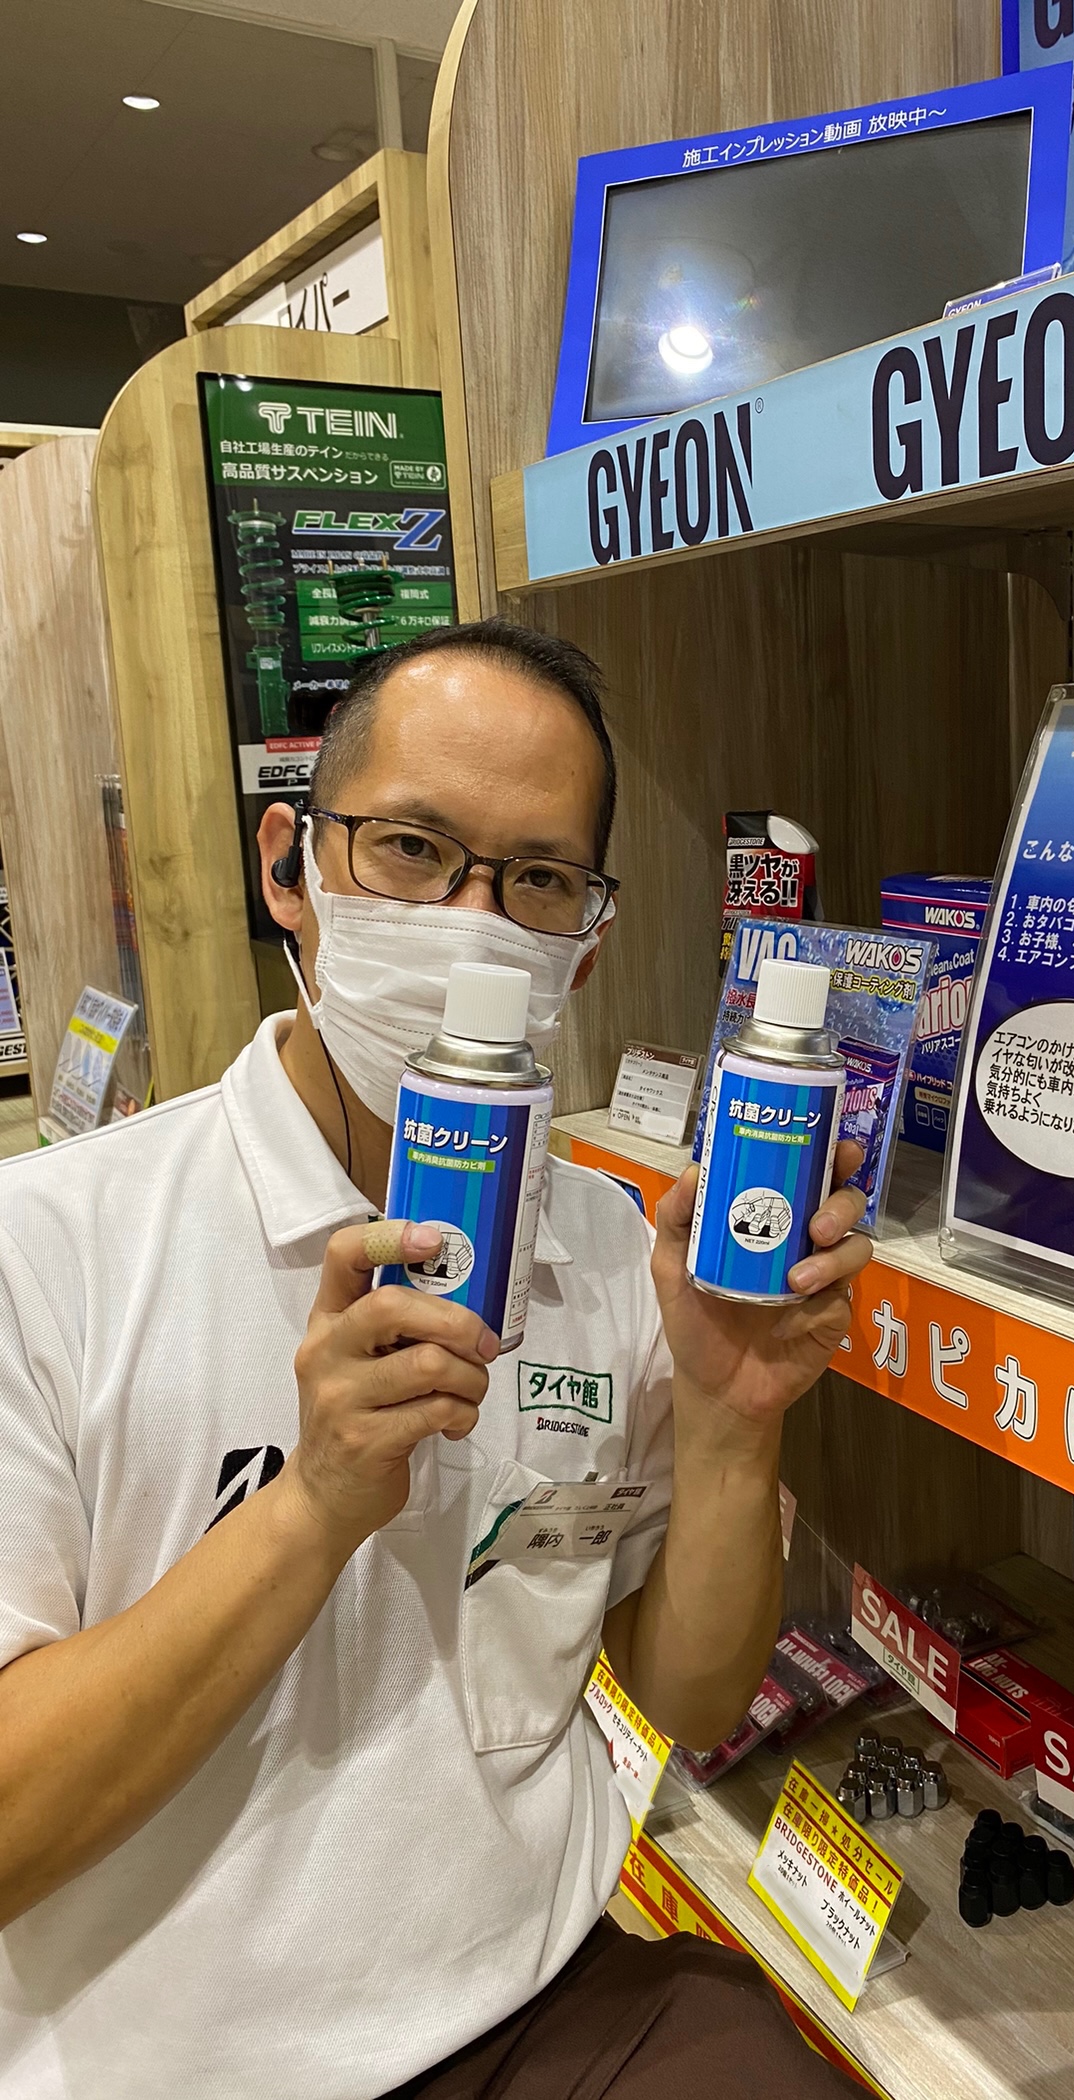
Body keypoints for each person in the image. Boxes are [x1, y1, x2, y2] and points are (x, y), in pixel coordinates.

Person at [0, 619, 872, 2098]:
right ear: (291, 864)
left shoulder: (603, 1246)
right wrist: (312, 1505)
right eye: (411, 849)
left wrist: (734, 1424)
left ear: (584, 946)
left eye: (536, 880)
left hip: (543, 1999)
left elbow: (690, 1702)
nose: (473, 922)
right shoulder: (51, 1248)